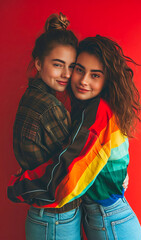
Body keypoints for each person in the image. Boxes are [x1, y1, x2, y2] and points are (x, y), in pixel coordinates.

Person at [8, 12, 83, 240]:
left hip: (45, 216)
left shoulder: (31, 96)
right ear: (39, 63)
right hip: (56, 219)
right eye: (58, 65)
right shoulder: (49, 107)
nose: (66, 74)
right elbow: (75, 166)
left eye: (71, 67)